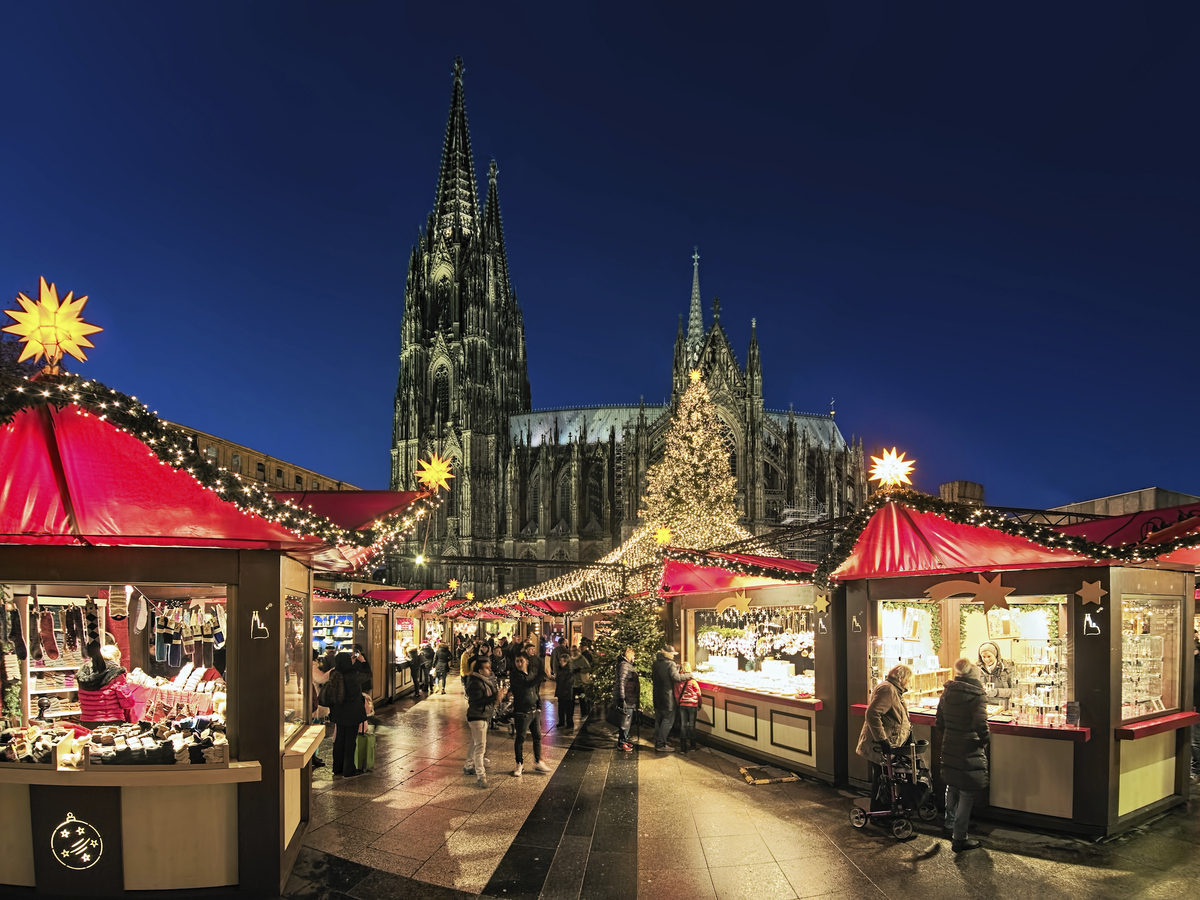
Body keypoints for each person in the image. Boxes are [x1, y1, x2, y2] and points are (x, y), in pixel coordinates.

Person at [937, 658, 990, 852]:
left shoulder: (948, 691)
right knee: (967, 792)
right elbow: (980, 724)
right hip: (969, 745)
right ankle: (960, 837)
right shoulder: (977, 695)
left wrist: (949, 733)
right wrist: (985, 740)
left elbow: (939, 719)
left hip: (950, 742)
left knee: (952, 785)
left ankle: (949, 824)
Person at [855, 664, 913, 803]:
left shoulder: (893, 690)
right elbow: (872, 713)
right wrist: (882, 740)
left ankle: (884, 809)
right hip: (880, 745)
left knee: (884, 777)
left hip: (887, 742)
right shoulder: (888, 690)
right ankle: (879, 812)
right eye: (908, 679)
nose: (909, 682)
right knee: (882, 778)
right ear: (901, 678)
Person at [328, 649, 371, 777]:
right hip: (352, 713)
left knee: (340, 739)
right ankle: (348, 769)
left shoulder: (334, 674)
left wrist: (351, 662)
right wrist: (363, 662)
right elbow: (368, 674)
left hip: (338, 713)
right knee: (350, 741)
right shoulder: (354, 676)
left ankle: (338, 768)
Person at [464, 656, 505, 787]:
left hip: (482, 715)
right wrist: (495, 697)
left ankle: (468, 765)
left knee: (476, 742)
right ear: (480, 671)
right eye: (487, 668)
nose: (490, 670)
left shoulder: (482, 680)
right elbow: (477, 701)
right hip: (477, 716)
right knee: (480, 747)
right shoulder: (475, 682)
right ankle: (481, 775)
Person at [509, 652, 550, 777]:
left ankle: (538, 761)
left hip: (534, 711)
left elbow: (535, 690)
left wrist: (539, 707)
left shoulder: (531, 674)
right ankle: (519, 764)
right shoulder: (515, 676)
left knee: (537, 737)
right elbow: (527, 683)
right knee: (520, 738)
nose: (519, 664)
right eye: (517, 661)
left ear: (526, 661)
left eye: (521, 661)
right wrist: (542, 675)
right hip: (522, 712)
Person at [77, 643, 130, 728]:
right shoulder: (116, 673)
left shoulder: (83, 671)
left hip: (87, 721)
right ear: (116, 658)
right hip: (111, 721)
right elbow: (127, 702)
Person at [651, 645, 688, 751]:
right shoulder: (670, 664)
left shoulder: (655, 663)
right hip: (667, 696)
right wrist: (688, 675)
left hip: (657, 695)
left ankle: (658, 739)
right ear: (667, 653)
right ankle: (661, 744)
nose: (673, 655)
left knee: (659, 719)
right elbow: (676, 677)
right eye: (672, 653)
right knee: (668, 719)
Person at [613, 646, 639, 752]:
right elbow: (621, 681)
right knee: (625, 720)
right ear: (628, 655)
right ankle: (622, 742)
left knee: (627, 720)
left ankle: (624, 739)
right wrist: (622, 697)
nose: (634, 657)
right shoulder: (624, 665)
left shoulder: (626, 665)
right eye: (633, 655)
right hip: (627, 697)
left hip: (629, 697)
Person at [674, 663, 702, 753]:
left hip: (682, 705)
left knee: (683, 725)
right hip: (692, 705)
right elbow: (698, 693)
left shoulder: (678, 681)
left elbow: (677, 694)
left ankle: (683, 748)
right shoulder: (692, 681)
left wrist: (679, 703)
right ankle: (693, 746)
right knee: (692, 726)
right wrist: (700, 703)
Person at [977, 641, 1012, 706]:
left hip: (1003, 707)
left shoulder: (1006, 669)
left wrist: (997, 692)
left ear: (995, 655)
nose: (986, 659)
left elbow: (1015, 691)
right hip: (983, 707)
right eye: (983, 657)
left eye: (989, 656)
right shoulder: (977, 670)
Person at [555, 643, 577, 731]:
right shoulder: (560, 669)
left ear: (566, 661)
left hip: (567, 693)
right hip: (561, 692)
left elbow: (568, 683)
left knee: (568, 710)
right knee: (561, 708)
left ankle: (569, 723)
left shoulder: (569, 671)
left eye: (562, 660)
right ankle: (561, 722)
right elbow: (558, 680)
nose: (560, 662)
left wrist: (564, 691)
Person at [571, 644, 592, 719]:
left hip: (581, 682)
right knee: (571, 700)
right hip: (572, 683)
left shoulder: (582, 659)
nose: (573, 652)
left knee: (582, 699)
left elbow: (588, 668)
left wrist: (580, 670)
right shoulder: (570, 659)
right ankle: (570, 716)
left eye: (574, 650)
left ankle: (584, 713)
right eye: (572, 651)